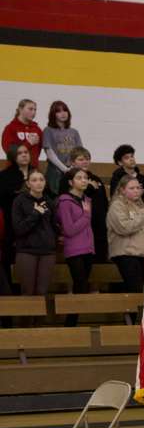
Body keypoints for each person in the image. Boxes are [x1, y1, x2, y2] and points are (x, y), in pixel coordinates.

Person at [57, 168, 95, 325]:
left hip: (88, 248)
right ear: (71, 182)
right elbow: (69, 230)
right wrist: (86, 215)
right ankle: (70, 323)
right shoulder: (65, 201)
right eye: (79, 178)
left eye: (85, 177)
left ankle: (73, 322)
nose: (84, 180)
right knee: (80, 284)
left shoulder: (87, 200)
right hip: (74, 249)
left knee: (83, 285)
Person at [59, 147, 109, 262]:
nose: (85, 162)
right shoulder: (67, 178)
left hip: (99, 226)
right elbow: (70, 198)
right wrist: (90, 187)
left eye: (87, 159)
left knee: (100, 262)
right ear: (72, 162)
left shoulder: (95, 178)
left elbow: (103, 201)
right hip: (81, 227)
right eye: (80, 159)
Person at [11, 169, 57, 296]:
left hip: (48, 251)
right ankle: (26, 316)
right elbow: (18, 229)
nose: (39, 183)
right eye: (34, 180)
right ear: (28, 184)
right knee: (28, 291)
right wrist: (35, 214)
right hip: (27, 251)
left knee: (42, 292)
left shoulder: (49, 202)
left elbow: (55, 226)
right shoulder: (19, 201)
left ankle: (40, 317)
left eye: (41, 180)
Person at [106, 176, 144, 293]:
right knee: (135, 289)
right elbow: (123, 228)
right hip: (126, 254)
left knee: (142, 290)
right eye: (132, 188)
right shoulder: (117, 205)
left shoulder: (141, 206)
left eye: (138, 188)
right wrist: (143, 216)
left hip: (141, 254)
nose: (136, 190)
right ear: (122, 190)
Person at [0, 143, 33, 273]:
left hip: (33, 222)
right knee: (10, 257)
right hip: (12, 221)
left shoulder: (36, 172)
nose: (24, 155)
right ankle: (11, 290)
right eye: (20, 153)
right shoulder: (5, 176)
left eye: (26, 152)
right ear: (13, 157)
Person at [42, 101, 81, 195]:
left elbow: (79, 152)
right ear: (53, 114)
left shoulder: (74, 132)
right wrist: (64, 168)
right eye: (58, 111)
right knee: (56, 198)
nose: (63, 113)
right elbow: (49, 152)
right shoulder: (48, 130)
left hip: (72, 170)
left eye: (65, 110)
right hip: (55, 171)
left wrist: (72, 167)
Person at [2, 99, 43, 166]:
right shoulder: (10, 128)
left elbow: (39, 149)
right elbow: (10, 152)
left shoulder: (37, 129)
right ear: (20, 109)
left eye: (35, 110)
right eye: (30, 109)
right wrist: (28, 143)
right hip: (15, 169)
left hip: (32, 170)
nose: (33, 112)